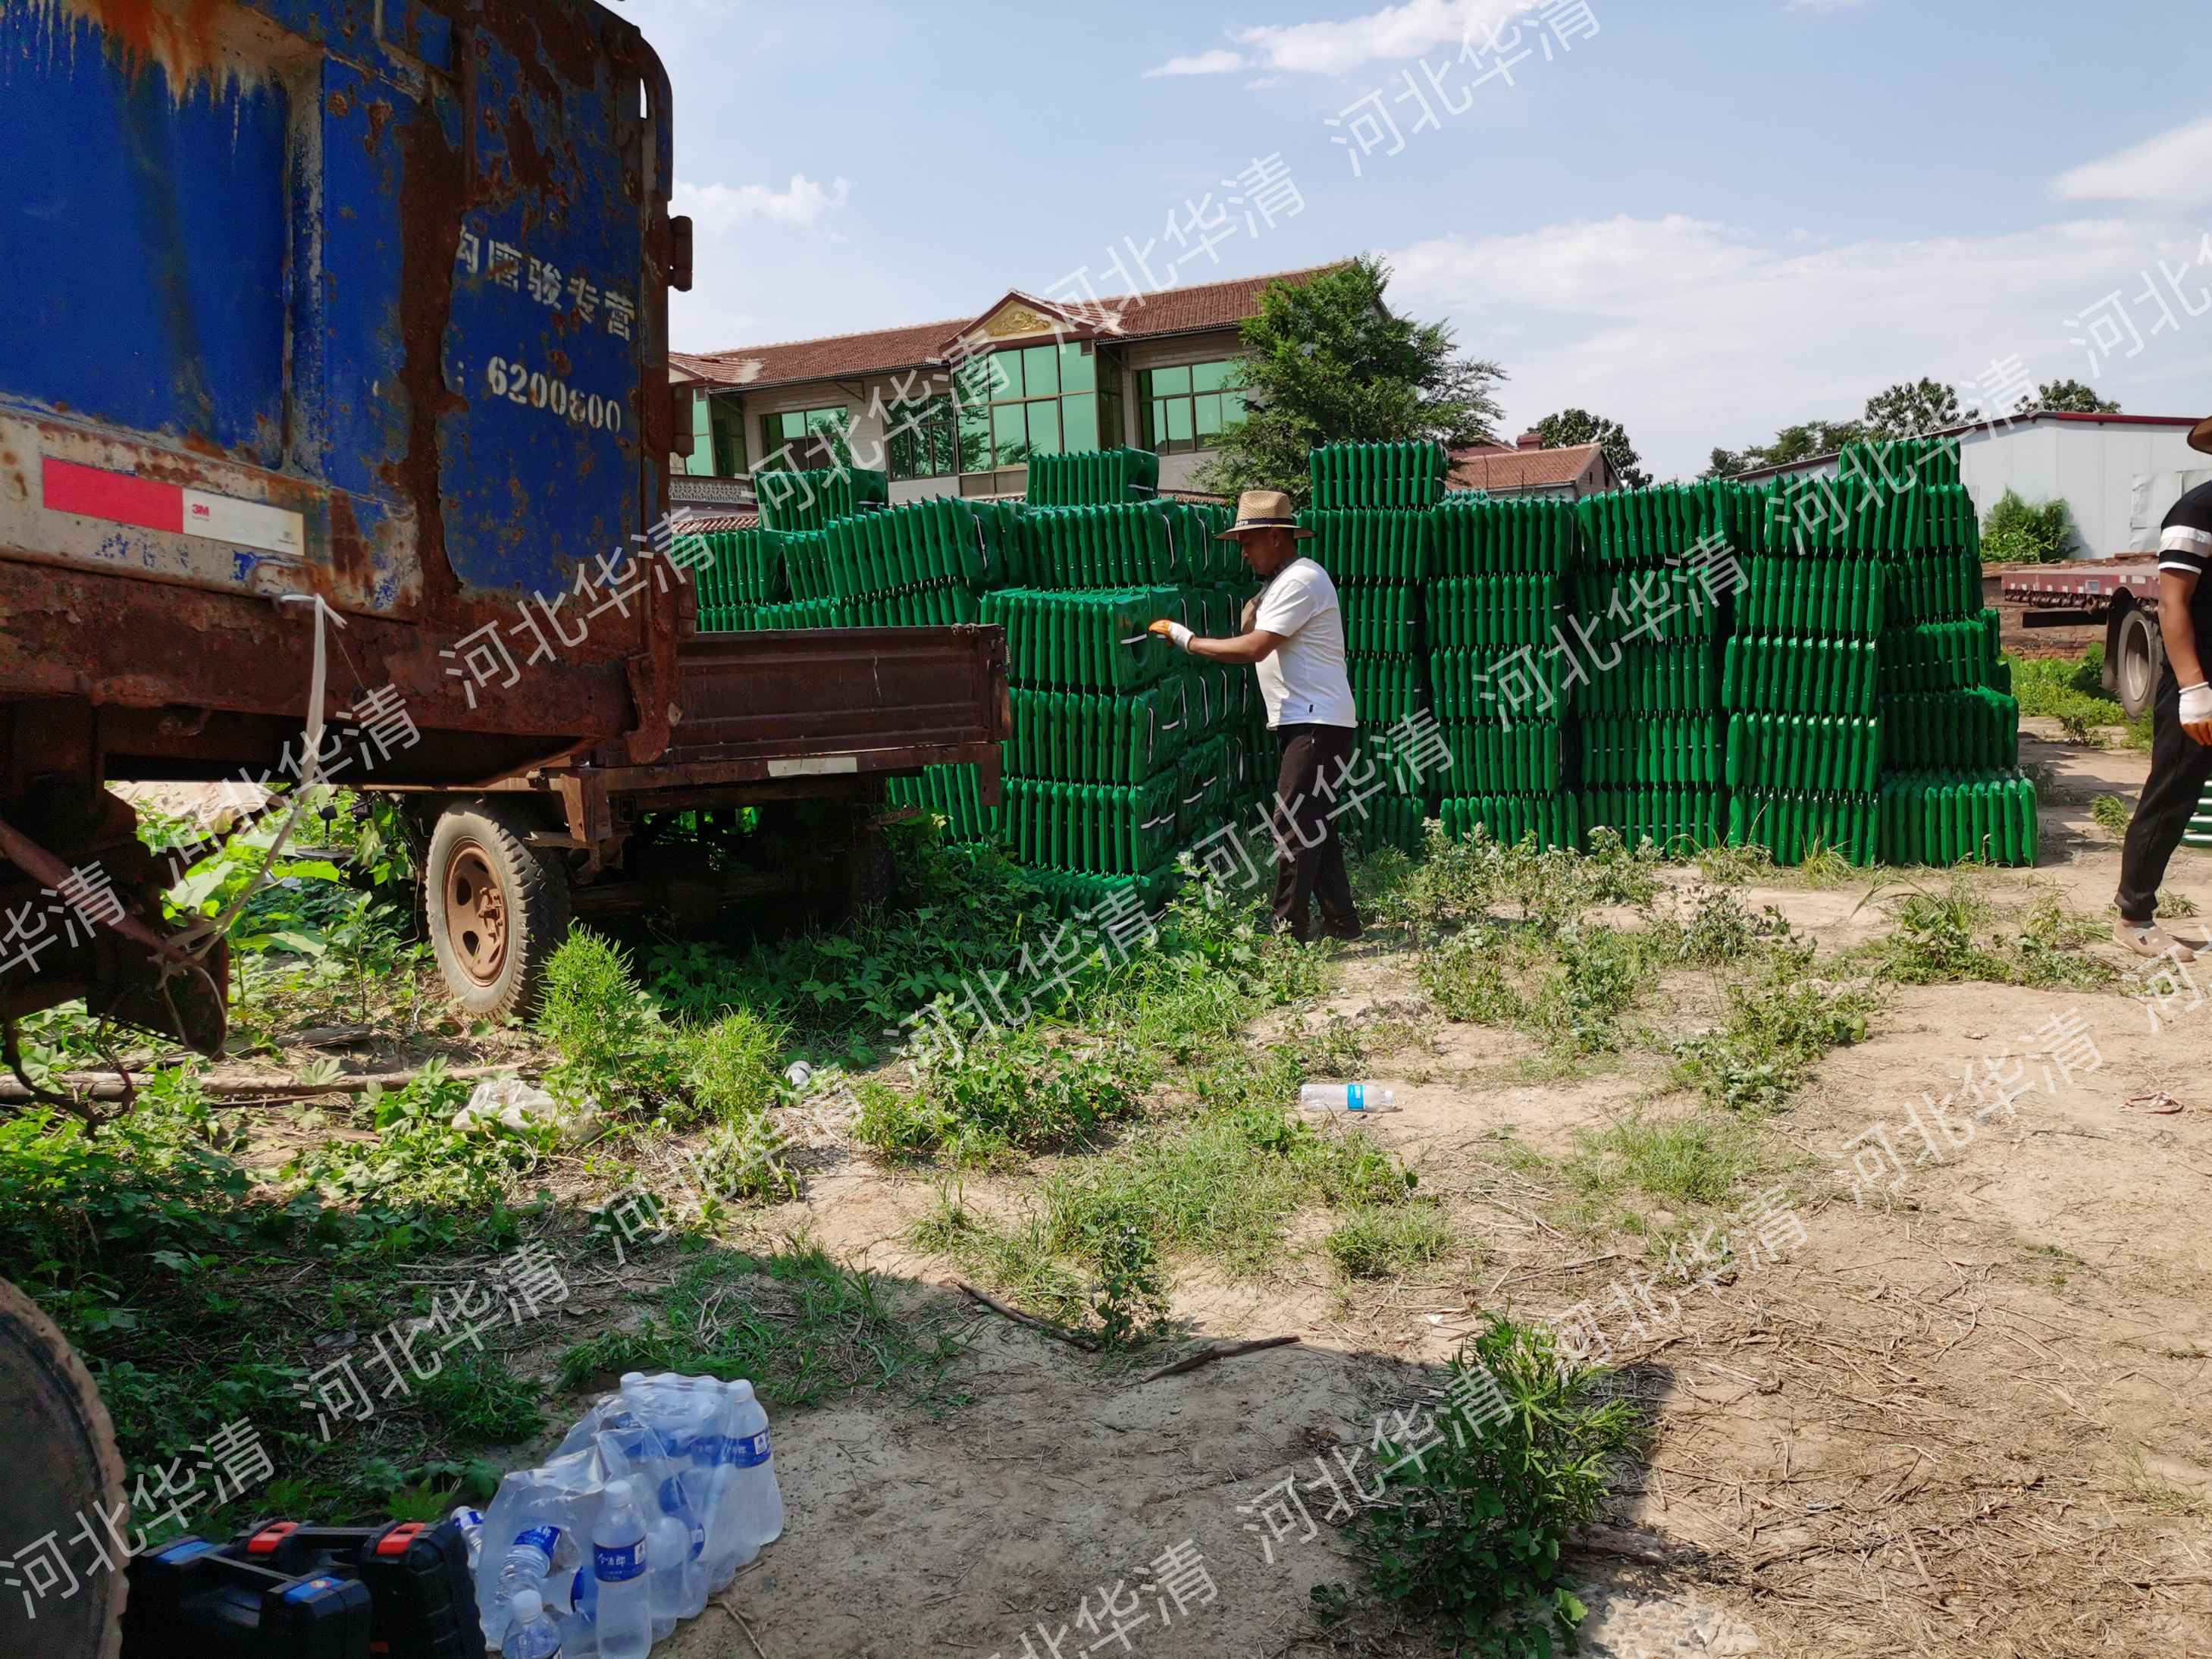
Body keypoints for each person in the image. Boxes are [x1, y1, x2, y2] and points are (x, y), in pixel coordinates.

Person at [1149, 488, 1362, 942]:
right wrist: (1259, 597)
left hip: (1315, 722)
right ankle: (1343, 924)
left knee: (1292, 826)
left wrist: (1189, 641)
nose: (1243, 554)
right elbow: (1253, 626)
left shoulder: (1301, 579)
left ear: (1275, 537)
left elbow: (1254, 645)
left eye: (1248, 543)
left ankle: (1288, 935)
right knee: (1314, 824)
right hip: (1309, 720)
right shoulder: (1284, 582)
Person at [2115, 414, 2212, 961]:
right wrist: (2195, 687)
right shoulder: (2197, 513)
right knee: (2174, 791)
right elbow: (2173, 603)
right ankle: (2135, 915)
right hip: (2199, 677)